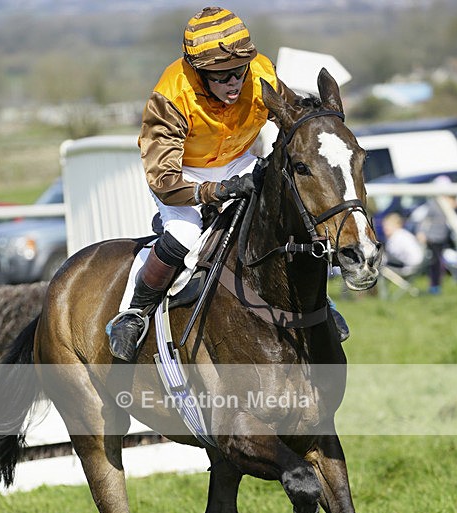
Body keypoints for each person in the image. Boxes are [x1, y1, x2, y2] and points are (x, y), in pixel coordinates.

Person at [107, 6, 349, 361]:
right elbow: (163, 180)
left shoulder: (261, 71)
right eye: (221, 76)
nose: (234, 82)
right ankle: (134, 312)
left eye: (239, 71)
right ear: (198, 72)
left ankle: (318, 300)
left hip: (238, 159)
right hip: (182, 172)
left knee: (284, 211)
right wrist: (216, 192)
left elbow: (291, 116)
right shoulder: (170, 96)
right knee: (185, 235)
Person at [381, 212, 425, 277]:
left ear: (397, 225)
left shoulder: (396, 236)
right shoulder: (403, 234)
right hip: (418, 263)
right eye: (384, 226)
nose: (385, 228)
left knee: (380, 262)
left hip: (409, 265)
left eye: (388, 225)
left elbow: (392, 254)